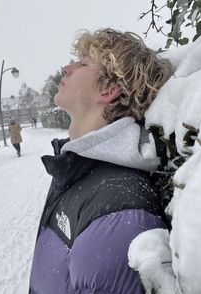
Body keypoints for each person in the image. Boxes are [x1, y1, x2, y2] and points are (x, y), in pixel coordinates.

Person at [29, 28, 173, 294]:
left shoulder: (121, 211)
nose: (65, 68)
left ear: (108, 89)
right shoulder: (77, 168)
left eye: (83, 63)